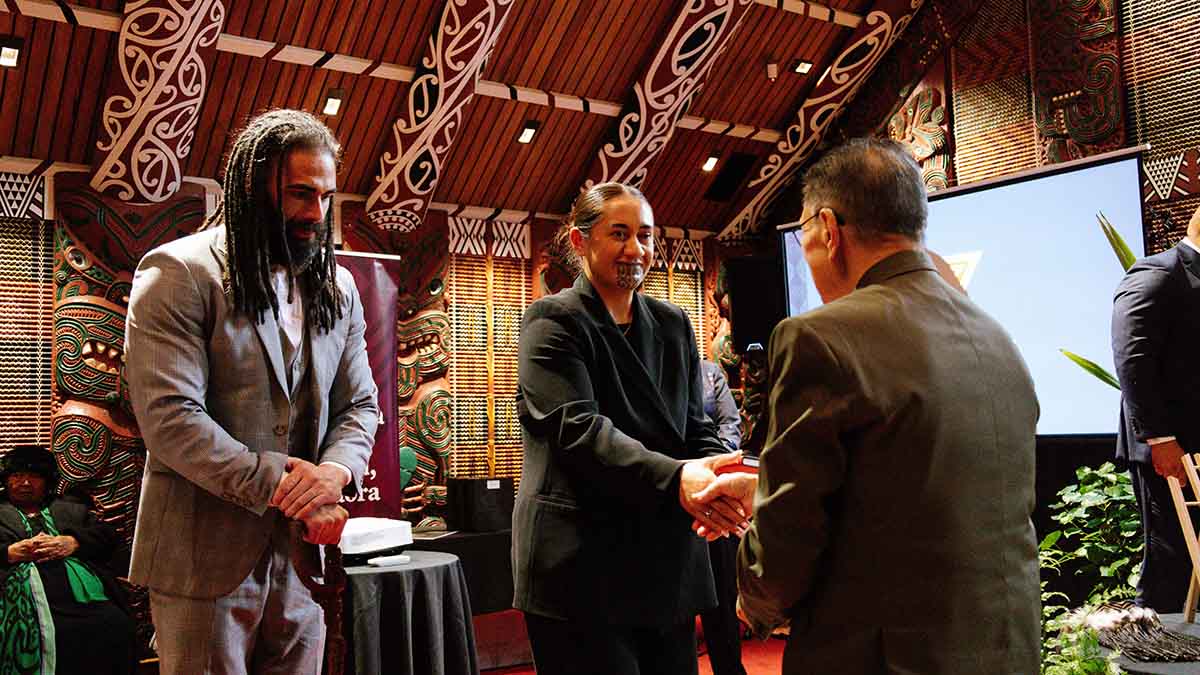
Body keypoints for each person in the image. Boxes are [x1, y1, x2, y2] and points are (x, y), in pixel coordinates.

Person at [700, 138, 1041, 673]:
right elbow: (915, 488)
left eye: (804, 234)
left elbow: (791, 535)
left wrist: (753, 597)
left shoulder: (821, 337)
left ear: (829, 231)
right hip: (1006, 646)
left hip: (884, 655)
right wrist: (761, 488)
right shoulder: (994, 334)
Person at [124, 109, 380, 674]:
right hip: (202, 561)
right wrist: (289, 486)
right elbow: (170, 419)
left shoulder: (339, 287)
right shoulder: (179, 271)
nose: (316, 214)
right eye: (298, 194)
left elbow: (360, 406)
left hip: (303, 557)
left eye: (326, 197)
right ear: (249, 185)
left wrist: (334, 475)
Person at [512, 181, 749, 675]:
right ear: (580, 242)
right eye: (618, 234)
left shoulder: (673, 324)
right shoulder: (552, 321)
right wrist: (682, 479)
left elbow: (692, 426)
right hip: (582, 568)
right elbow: (581, 433)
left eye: (644, 235)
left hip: (666, 563)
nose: (635, 248)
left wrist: (724, 476)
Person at [1111, 204, 1200, 612]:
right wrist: (1161, 439)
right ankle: (1156, 661)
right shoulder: (1160, 273)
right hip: (1170, 450)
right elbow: (1132, 357)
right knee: (1172, 561)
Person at [1, 444, 136, 674]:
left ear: (47, 481)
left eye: (34, 476)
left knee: (114, 623)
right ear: (6, 480)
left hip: (81, 596)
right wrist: (9, 552)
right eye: (17, 475)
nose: (25, 483)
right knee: (48, 631)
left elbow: (109, 537)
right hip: (17, 595)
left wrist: (73, 542)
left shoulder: (70, 508)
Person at [697, 359, 747, 675]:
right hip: (670, 490)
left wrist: (709, 467)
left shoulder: (710, 372)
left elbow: (730, 425)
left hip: (713, 490)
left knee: (722, 597)